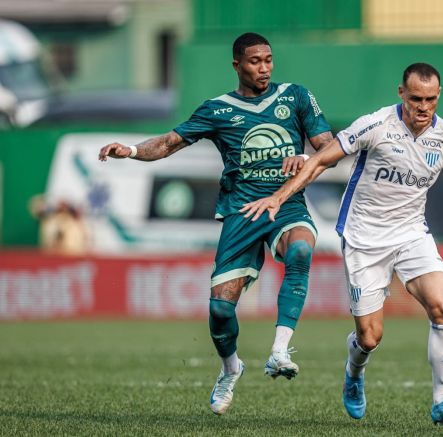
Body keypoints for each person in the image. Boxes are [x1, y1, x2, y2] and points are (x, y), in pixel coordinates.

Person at [241, 62, 443, 429]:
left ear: (438, 96)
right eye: (415, 99)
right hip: (363, 238)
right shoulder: (375, 125)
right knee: (370, 336)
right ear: (401, 94)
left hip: (411, 234)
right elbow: (320, 160)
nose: (422, 107)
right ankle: (353, 371)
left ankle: (442, 402)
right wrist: (280, 198)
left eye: (430, 99)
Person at [98, 32, 333, 415]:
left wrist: (305, 157)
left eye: (269, 60)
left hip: (285, 207)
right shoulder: (218, 110)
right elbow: (171, 143)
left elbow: (328, 146)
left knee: (302, 249)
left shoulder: (295, 97)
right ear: (237, 64)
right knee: (221, 311)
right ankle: (230, 368)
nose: (265, 68)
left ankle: (278, 350)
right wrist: (132, 151)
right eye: (255, 61)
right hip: (242, 213)